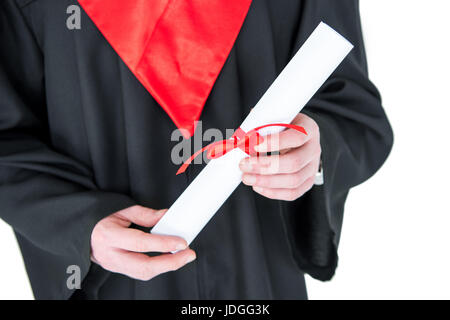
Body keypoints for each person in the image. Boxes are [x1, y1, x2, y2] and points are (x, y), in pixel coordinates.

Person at [0, 0, 393, 299]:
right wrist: (77, 225)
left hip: (258, 281)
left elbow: (354, 110)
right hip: (110, 283)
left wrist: (316, 150)